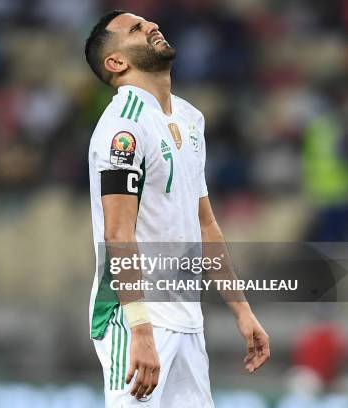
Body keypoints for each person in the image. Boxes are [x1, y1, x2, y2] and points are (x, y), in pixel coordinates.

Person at [84, 11, 270, 407]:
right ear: (116, 62)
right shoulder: (123, 128)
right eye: (135, 29)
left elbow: (205, 224)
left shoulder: (189, 118)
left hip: (186, 320)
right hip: (133, 320)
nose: (151, 26)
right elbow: (118, 234)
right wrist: (141, 331)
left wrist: (242, 311)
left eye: (148, 22)